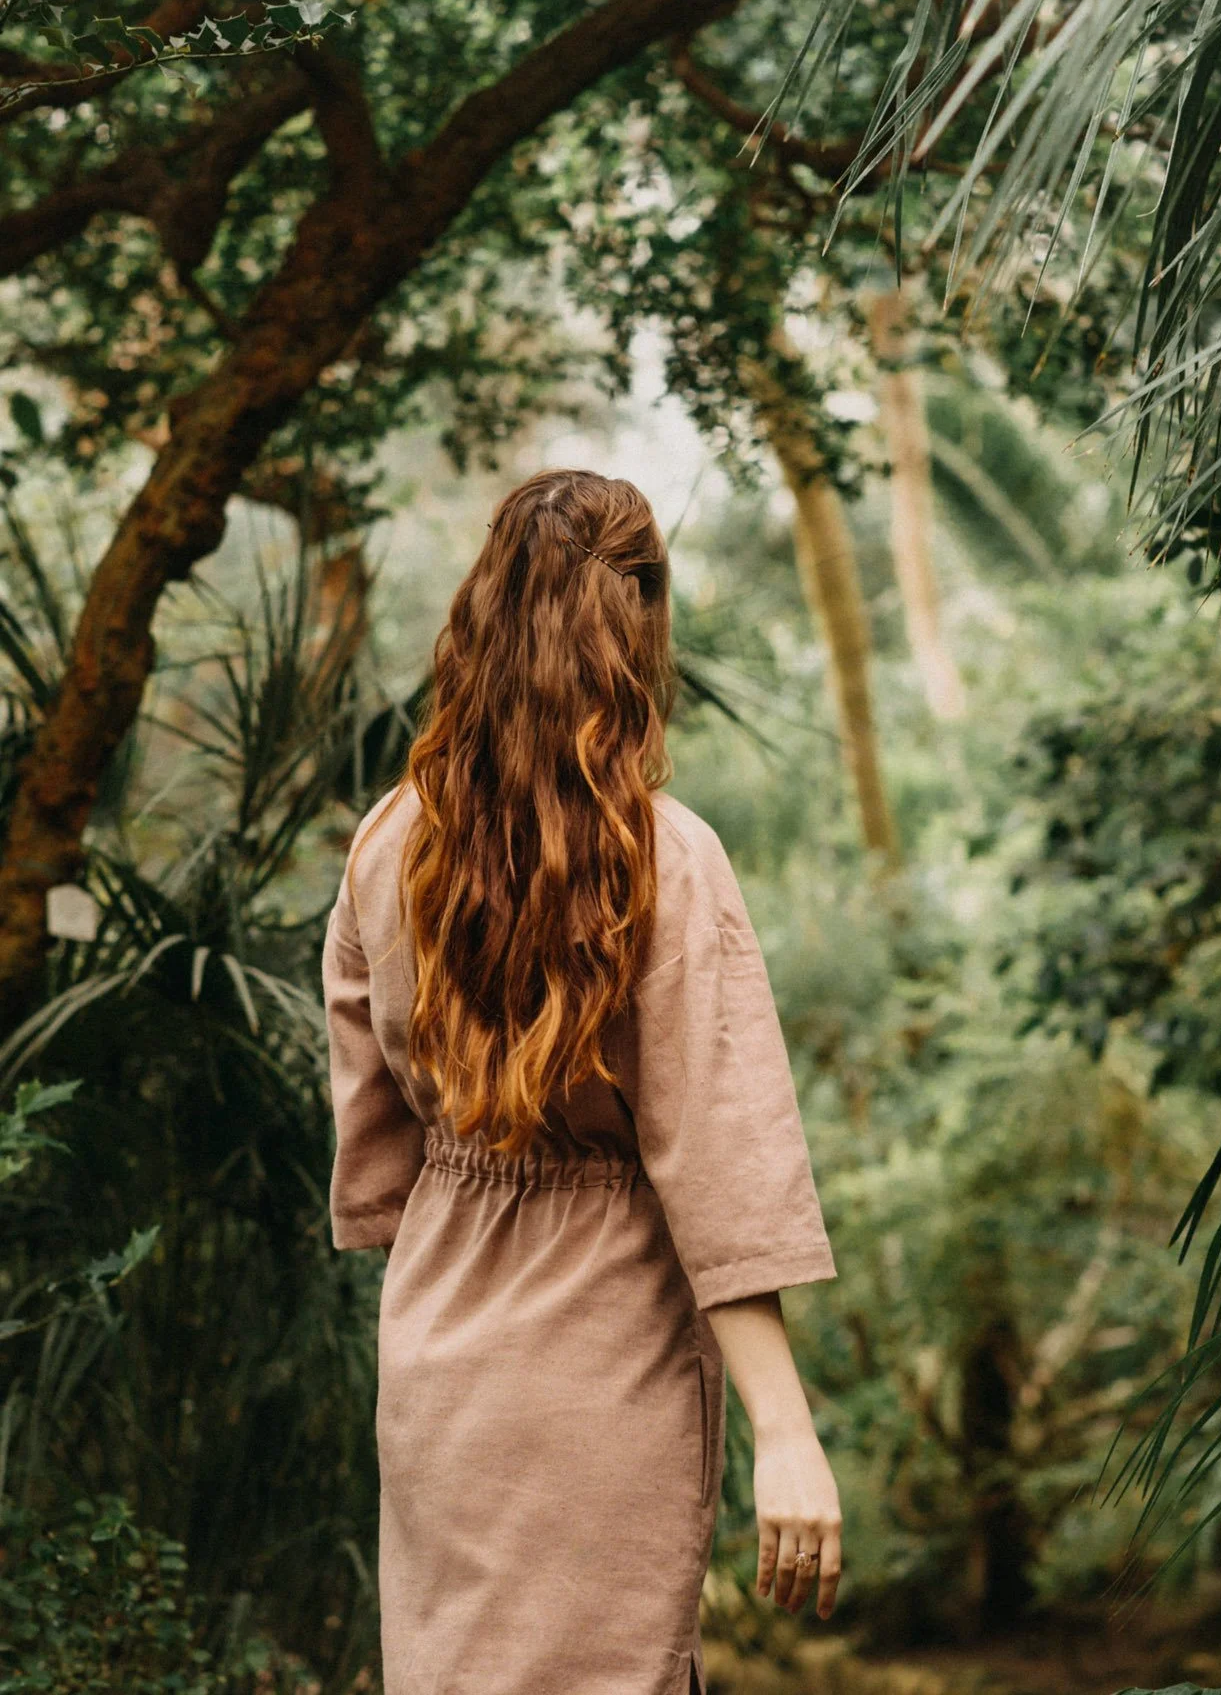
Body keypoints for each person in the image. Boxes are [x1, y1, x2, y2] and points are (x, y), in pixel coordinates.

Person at [322, 468, 842, 1695]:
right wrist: (786, 1431)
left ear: (484, 614)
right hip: (605, 1366)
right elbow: (718, 1160)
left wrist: (461, 1226)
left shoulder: (386, 841)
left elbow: (373, 1137)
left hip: (439, 1363)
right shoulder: (666, 858)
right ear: (638, 621)